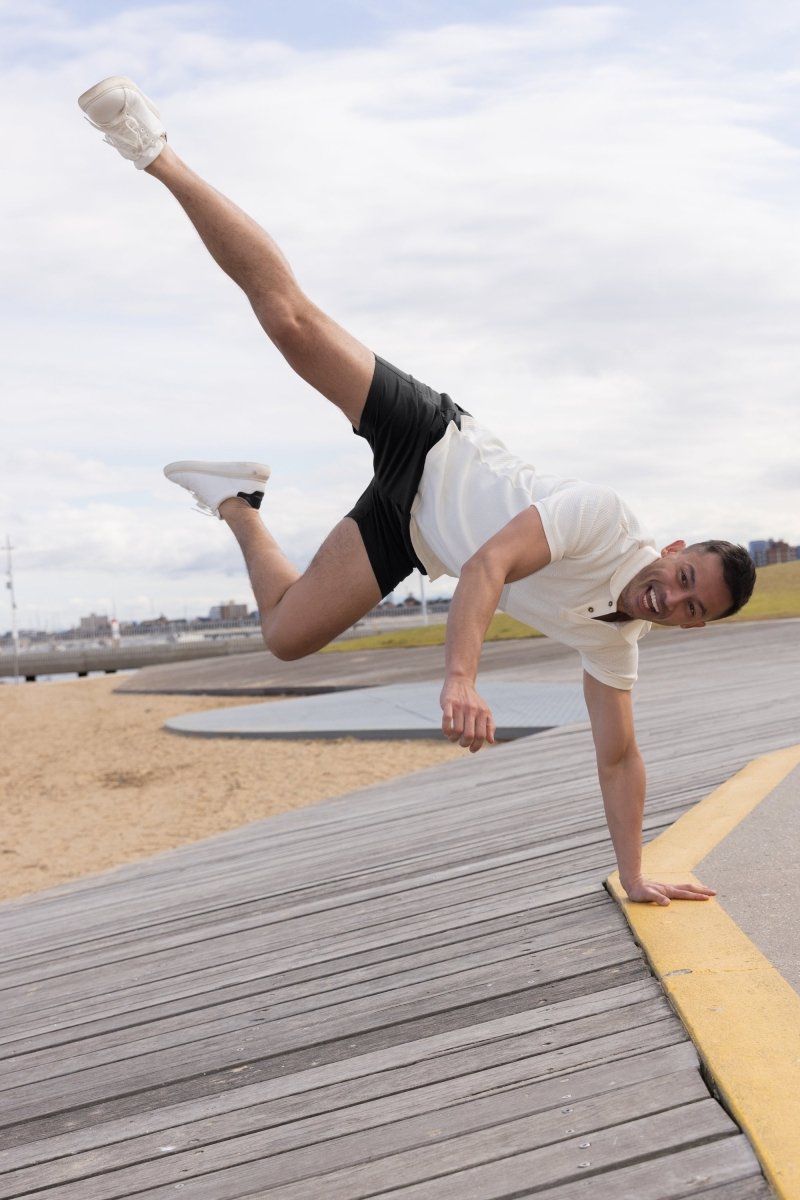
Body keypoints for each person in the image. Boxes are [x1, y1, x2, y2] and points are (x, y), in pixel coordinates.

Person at [78, 76, 755, 906]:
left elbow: (619, 757)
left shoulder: (617, 645)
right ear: (678, 551)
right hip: (430, 440)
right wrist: (461, 680)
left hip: (411, 536)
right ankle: (153, 148)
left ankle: (235, 502)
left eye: (692, 612)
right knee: (289, 319)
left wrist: (637, 870)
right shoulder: (606, 520)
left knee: (288, 636)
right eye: (685, 581)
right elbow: (490, 568)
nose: (670, 601)